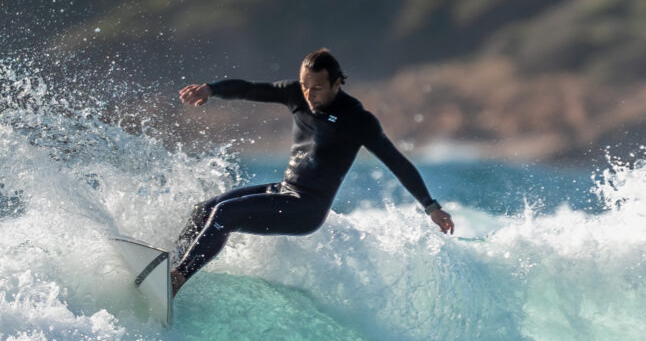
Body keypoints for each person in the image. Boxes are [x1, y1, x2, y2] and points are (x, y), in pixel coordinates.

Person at [171, 48, 454, 296]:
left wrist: (431, 207)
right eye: (305, 85)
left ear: (337, 82)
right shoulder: (296, 94)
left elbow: (398, 163)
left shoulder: (358, 120)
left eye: (316, 88)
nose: (308, 93)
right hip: (285, 190)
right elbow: (250, 89)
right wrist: (212, 89)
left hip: (307, 208)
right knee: (204, 209)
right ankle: (168, 265)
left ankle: (177, 280)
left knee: (226, 214)